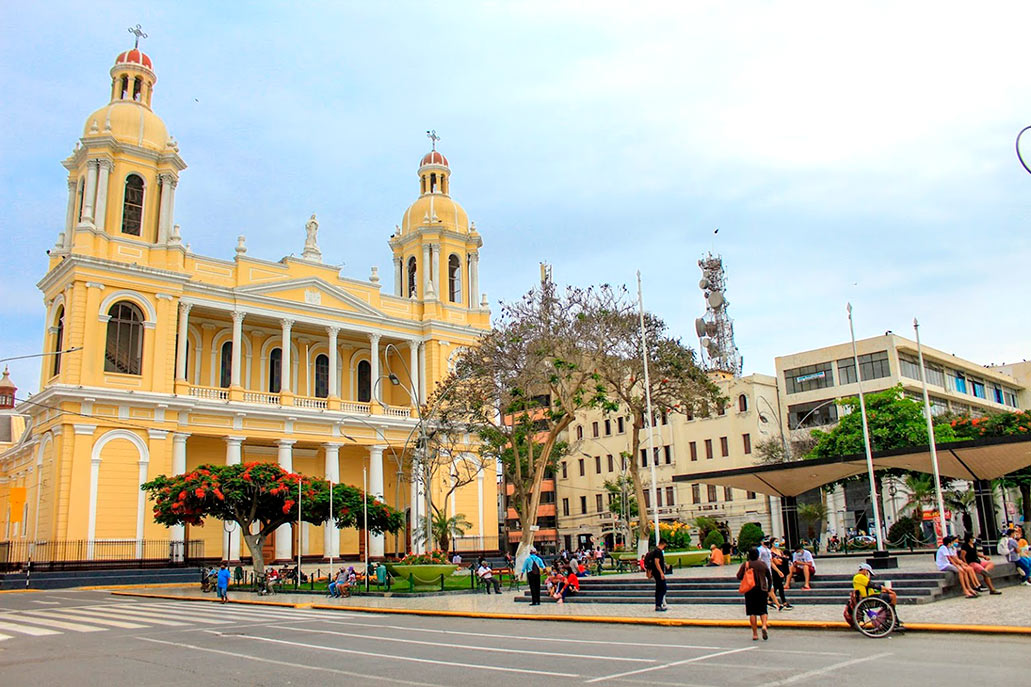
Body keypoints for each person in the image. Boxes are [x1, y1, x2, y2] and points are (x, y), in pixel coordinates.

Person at [852, 562, 905, 631]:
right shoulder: (859, 577)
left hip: (869, 597)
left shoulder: (861, 578)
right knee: (892, 596)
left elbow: (872, 589)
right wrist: (886, 589)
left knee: (891, 597)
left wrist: (882, 591)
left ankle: (892, 617)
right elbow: (874, 585)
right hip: (868, 599)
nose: (869, 575)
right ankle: (892, 617)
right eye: (869, 573)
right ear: (865, 570)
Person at [736, 548, 772, 640]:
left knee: (752, 612)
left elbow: (739, 576)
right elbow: (769, 577)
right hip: (762, 589)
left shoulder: (746, 564)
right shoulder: (763, 564)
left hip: (750, 590)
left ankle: (755, 634)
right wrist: (768, 589)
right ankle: (764, 625)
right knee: (763, 610)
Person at [644, 538, 669, 612]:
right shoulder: (658, 552)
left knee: (659, 588)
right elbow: (656, 562)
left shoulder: (655, 551)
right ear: (663, 544)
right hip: (658, 573)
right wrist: (661, 572)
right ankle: (658, 605)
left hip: (655, 572)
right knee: (663, 588)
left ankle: (658, 604)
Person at [768, 540, 792, 611]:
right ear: (772, 543)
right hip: (775, 570)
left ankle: (770, 600)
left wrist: (781, 560)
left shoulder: (780, 551)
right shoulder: (771, 552)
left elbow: (782, 560)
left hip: (782, 569)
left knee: (776, 586)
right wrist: (781, 560)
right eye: (776, 541)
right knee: (779, 586)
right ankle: (784, 602)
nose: (777, 543)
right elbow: (776, 562)